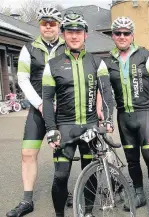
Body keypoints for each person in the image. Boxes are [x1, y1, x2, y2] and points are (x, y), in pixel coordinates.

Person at [42, 12, 114, 217]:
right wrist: (51, 129)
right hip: (65, 127)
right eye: (70, 32)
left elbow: (107, 94)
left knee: (90, 172)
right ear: (63, 34)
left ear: (85, 35)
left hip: (90, 125)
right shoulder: (53, 65)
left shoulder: (97, 62)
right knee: (61, 175)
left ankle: (88, 212)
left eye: (78, 32)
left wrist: (108, 119)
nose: (74, 36)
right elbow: (47, 100)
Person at [103, 16, 149, 217]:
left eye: (126, 33)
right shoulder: (107, 61)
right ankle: (139, 194)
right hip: (124, 116)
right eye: (118, 33)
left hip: (145, 112)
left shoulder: (145, 55)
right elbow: (102, 91)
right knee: (131, 158)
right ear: (113, 36)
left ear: (132, 36)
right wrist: (104, 117)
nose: (122, 36)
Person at [6, 7, 67, 217]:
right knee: (27, 153)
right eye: (44, 23)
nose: (48, 26)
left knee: (62, 154)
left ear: (58, 25)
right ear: (39, 24)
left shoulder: (68, 45)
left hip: (63, 109)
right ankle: (27, 200)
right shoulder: (28, 48)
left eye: (52, 23)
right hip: (38, 108)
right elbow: (22, 78)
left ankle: (62, 192)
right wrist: (41, 104)